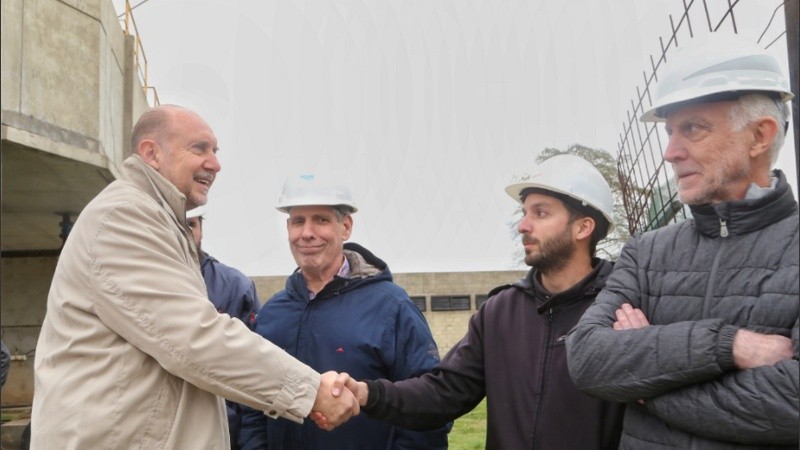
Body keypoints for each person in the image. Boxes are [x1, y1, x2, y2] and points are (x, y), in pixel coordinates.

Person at [30, 105, 359, 449]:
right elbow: (194, 337)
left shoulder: (158, 220)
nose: (215, 164)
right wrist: (310, 390)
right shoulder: (124, 217)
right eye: (199, 148)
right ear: (151, 153)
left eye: (215, 151)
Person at [566, 33, 799, 449]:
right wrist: (728, 345)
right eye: (670, 131)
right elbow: (586, 358)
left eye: (692, 128)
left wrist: (644, 385)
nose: (670, 152)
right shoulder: (646, 252)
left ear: (759, 136)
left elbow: (791, 404)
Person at [319, 155, 626, 449]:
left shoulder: (622, 308)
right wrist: (366, 393)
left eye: (541, 213)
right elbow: (442, 393)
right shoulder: (500, 312)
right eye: (525, 213)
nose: (523, 225)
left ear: (583, 228)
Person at [239, 174, 449, 450]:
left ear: (346, 227)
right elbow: (253, 406)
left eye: (321, 220)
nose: (307, 233)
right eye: (298, 221)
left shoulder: (391, 307)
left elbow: (428, 406)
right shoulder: (272, 314)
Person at [186, 205, 262, 450]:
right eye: (176, 224)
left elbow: (253, 367)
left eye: (191, 225)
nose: (185, 233)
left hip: (223, 433)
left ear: (201, 228)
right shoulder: (142, 282)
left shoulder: (236, 287)